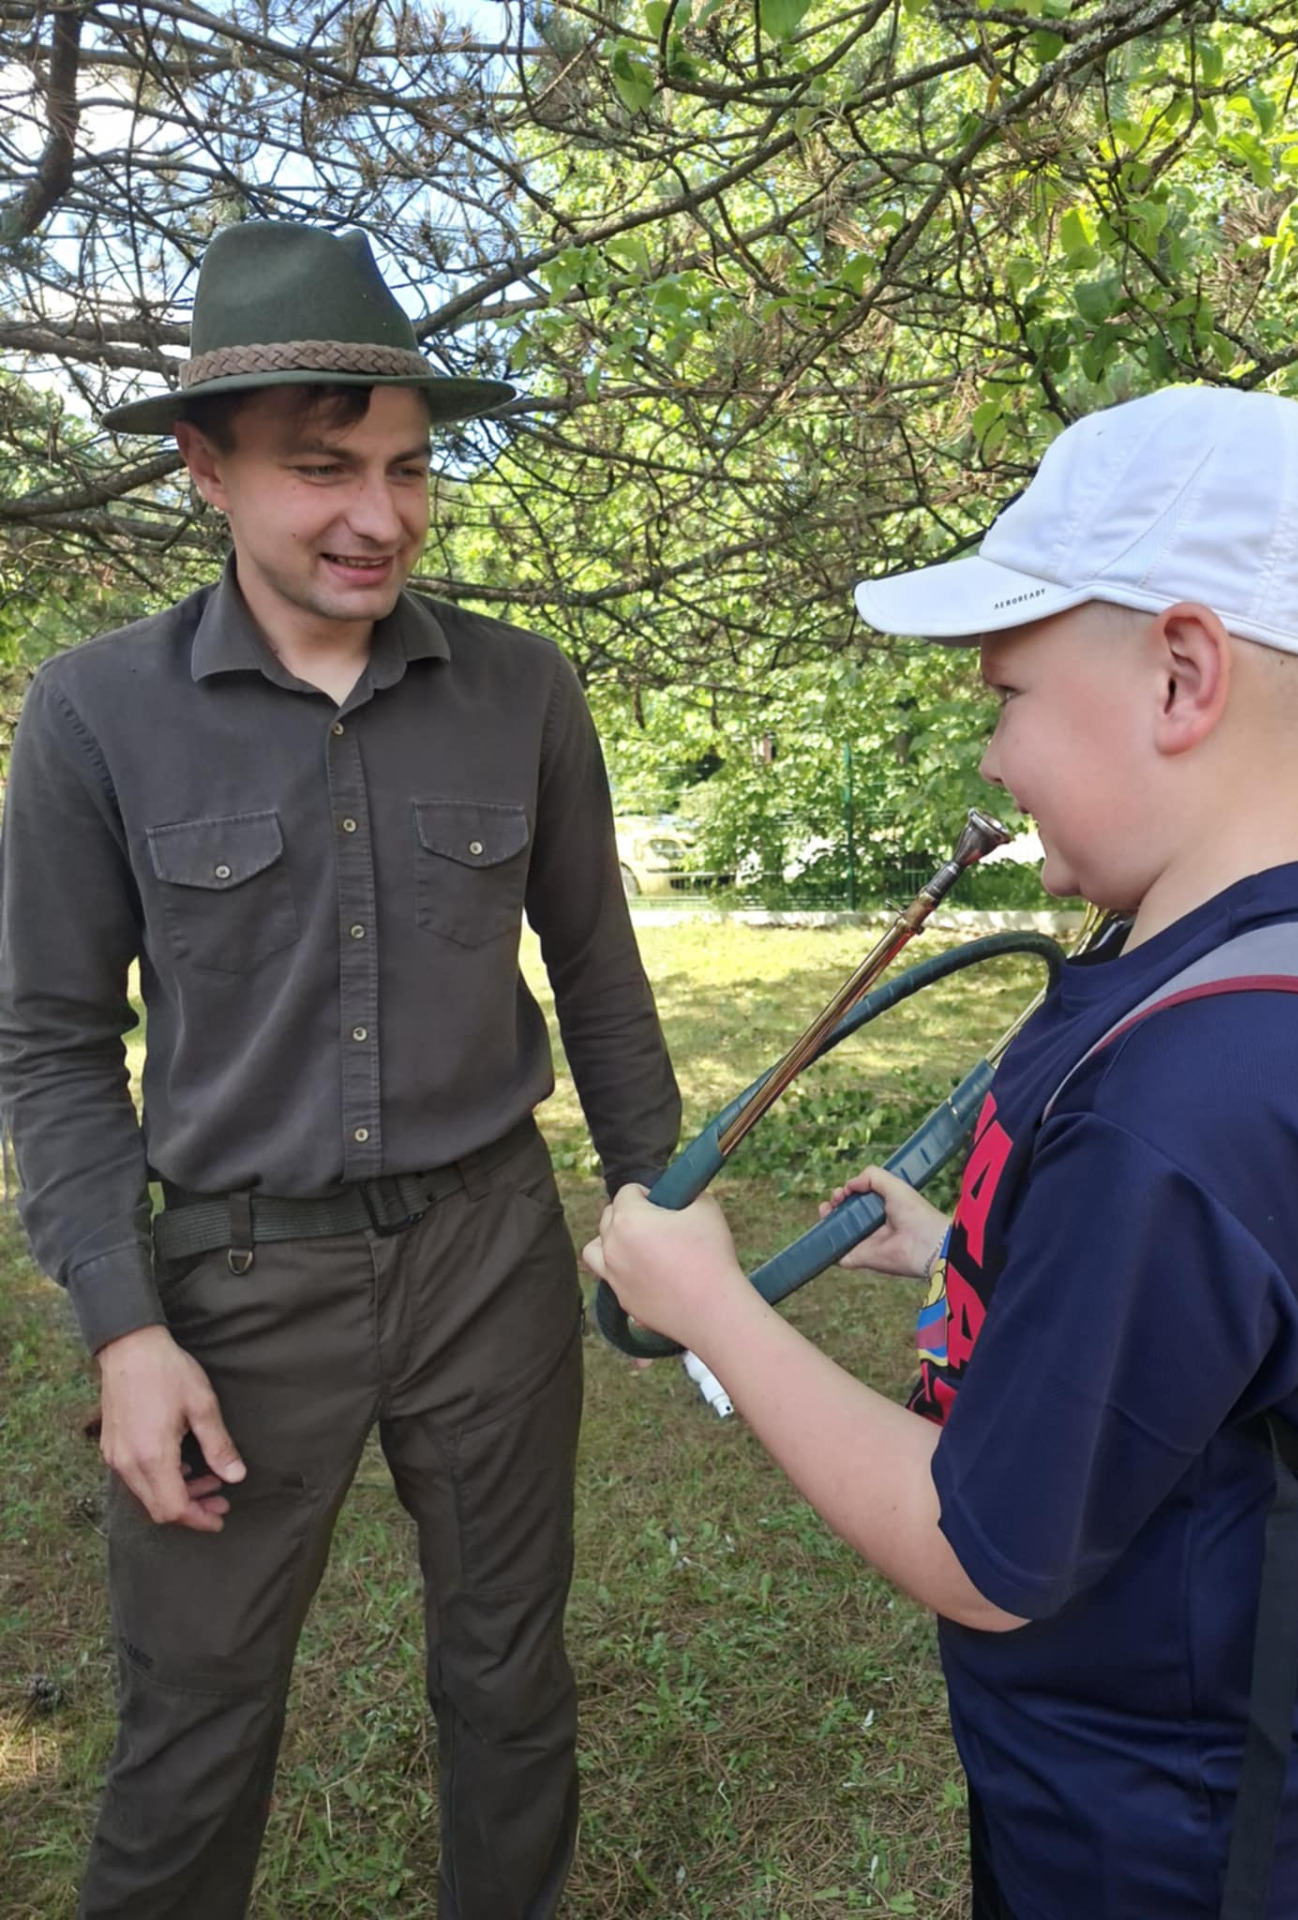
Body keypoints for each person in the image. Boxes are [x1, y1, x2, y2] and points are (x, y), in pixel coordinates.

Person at [583, 385, 1298, 1919]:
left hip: (1181, 1851)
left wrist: (709, 1305)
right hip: (1168, 1776)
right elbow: (1223, 1317)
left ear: (1182, 675)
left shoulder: (1196, 1098)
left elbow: (978, 1552)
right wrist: (973, 1247)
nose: (992, 753)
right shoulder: (1291, 949)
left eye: (1012, 693)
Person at [0, 220, 681, 1920]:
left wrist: (661, 1195)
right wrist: (126, 1330)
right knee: (193, 1719)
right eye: (323, 468)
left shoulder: (523, 691)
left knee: (510, 1676)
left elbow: (597, 967)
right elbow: (54, 1045)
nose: (381, 514)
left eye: (408, 466)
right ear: (206, 467)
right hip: (232, 1285)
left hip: (489, 1257)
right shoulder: (91, 717)